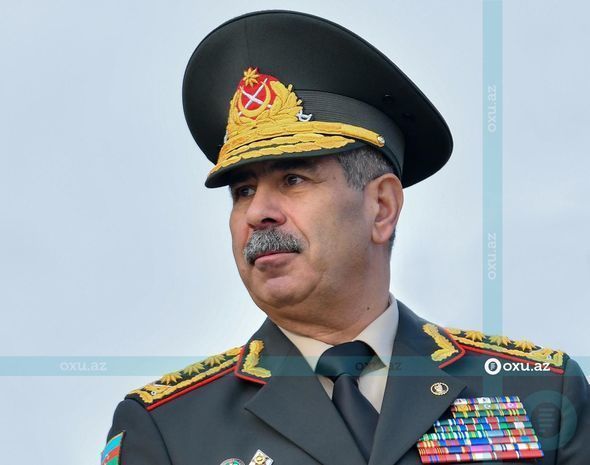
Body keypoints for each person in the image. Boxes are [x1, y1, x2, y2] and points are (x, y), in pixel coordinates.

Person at [103, 10, 589, 465]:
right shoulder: (169, 428)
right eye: (243, 191)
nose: (258, 213)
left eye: (293, 179)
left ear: (382, 207)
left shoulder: (538, 394)